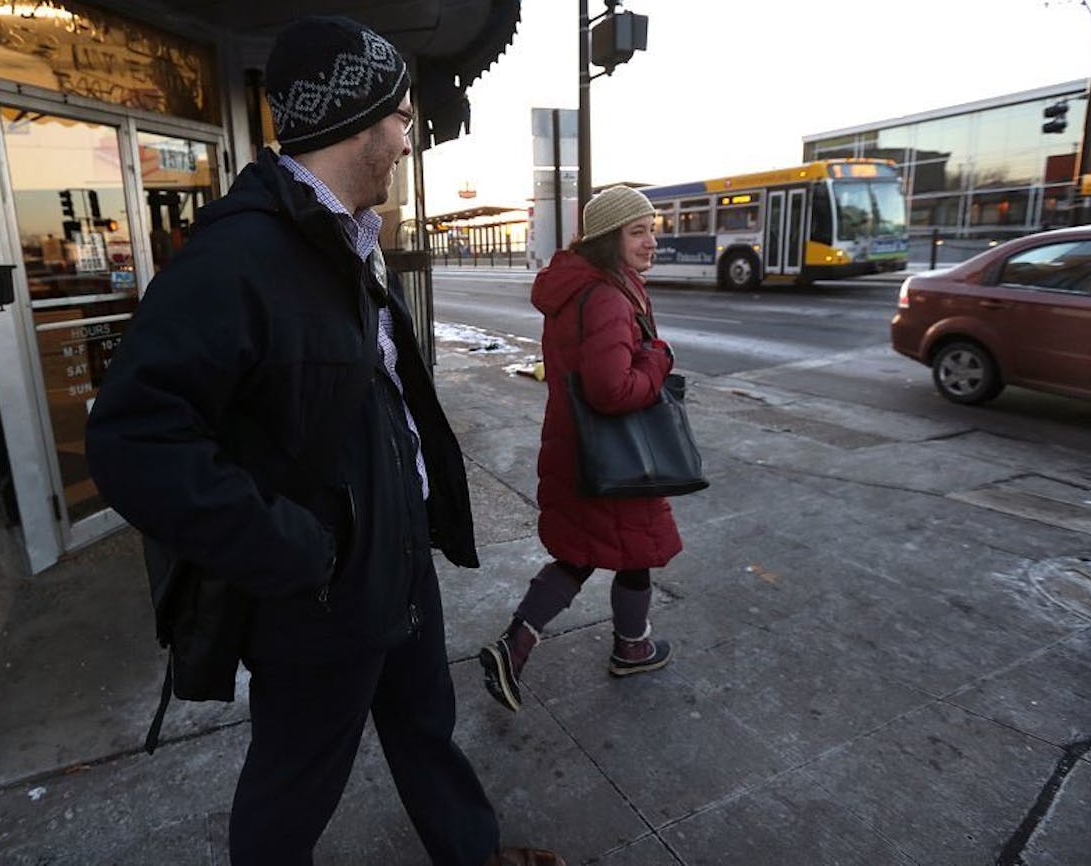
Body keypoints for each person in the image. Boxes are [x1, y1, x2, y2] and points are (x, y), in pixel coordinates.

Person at [85, 16, 563, 866]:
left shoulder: (341, 240)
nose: (409, 141)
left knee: (426, 730)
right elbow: (132, 442)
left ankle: (474, 855)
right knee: (294, 781)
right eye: (405, 118)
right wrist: (297, 550)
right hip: (322, 597)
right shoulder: (236, 259)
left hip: (397, 558)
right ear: (360, 122)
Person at [478, 186, 681, 713]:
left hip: (579, 445)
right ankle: (630, 646)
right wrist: (659, 360)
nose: (650, 242)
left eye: (651, 229)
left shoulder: (578, 287)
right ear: (608, 240)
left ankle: (516, 643)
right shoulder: (611, 296)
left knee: (585, 551)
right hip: (617, 451)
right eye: (637, 232)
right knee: (631, 548)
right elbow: (610, 390)